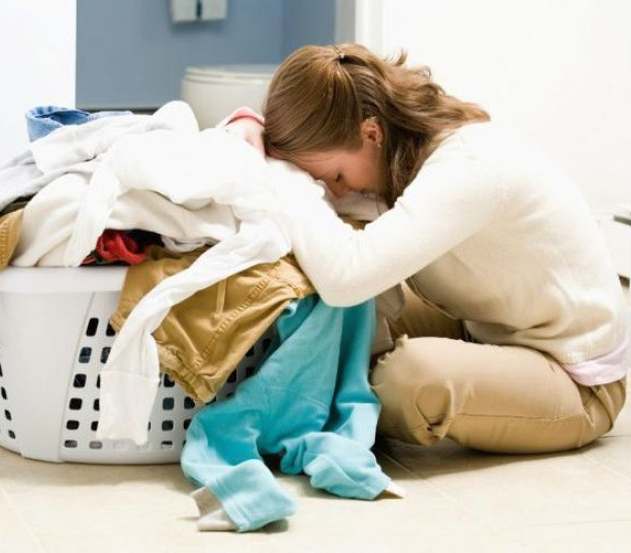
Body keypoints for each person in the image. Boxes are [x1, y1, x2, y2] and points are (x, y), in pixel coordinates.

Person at [222, 43, 628, 454]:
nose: (336, 191)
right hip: (485, 328)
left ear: (371, 133)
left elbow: (345, 277)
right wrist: (249, 124)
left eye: (337, 175)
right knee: (323, 318)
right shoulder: (394, 154)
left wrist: (285, 178)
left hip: (574, 376)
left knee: (405, 379)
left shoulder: (469, 167)